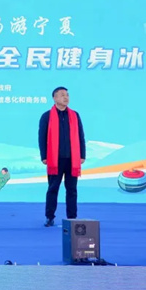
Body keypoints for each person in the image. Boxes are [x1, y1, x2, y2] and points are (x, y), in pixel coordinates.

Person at [38, 86, 86, 227]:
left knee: (72, 189)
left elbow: (81, 136)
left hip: (72, 159)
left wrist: (82, 154)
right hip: (55, 159)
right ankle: (49, 217)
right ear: (55, 98)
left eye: (67, 95)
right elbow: (42, 138)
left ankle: (72, 217)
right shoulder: (47, 116)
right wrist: (44, 156)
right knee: (53, 188)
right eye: (62, 95)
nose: (66, 97)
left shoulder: (75, 115)